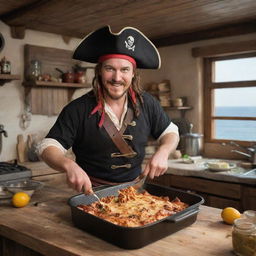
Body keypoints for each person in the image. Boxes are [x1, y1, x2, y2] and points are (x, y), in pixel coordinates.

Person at [38, 26, 179, 194]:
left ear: (134, 73)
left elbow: (170, 132)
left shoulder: (147, 102)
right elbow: (48, 146)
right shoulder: (77, 108)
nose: (117, 78)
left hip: (135, 195)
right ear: (99, 72)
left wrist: (163, 151)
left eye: (124, 70)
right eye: (110, 68)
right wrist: (68, 164)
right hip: (92, 195)